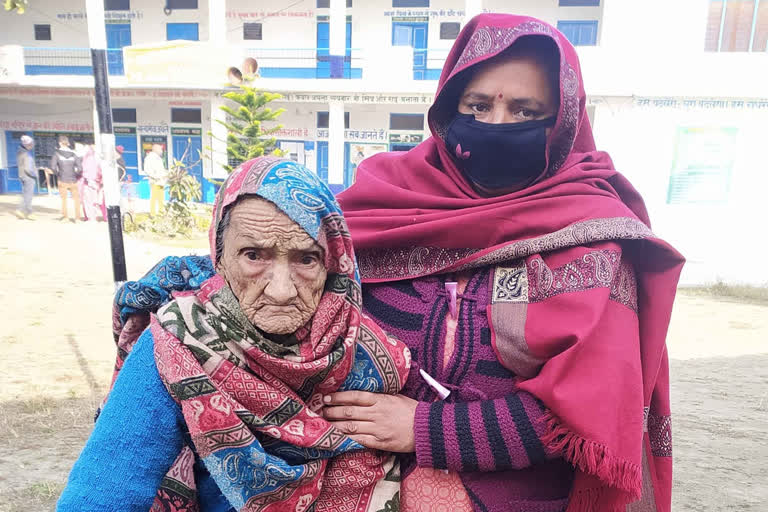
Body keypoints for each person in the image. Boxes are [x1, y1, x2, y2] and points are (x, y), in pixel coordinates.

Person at [109, 14, 685, 512]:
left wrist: (424, 430)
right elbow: (286, 263)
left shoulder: (593, 236)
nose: (498, 124)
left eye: (525, 109)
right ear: (447, 108)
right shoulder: (387, 199)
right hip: (344, 476)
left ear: (561, 121)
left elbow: (586, 415)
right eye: (478, 105)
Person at [57, 157, 410, 512]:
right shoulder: (180, 341)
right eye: (254, 255)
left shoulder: (367, 351)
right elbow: (106, 486)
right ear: (219, 258)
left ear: (333, 263)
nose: (282, 290)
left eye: (306, 259)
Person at [50, 135, 82, 223]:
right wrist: (75, 174)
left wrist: (58, 174)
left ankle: (65, 217)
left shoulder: (56, 154)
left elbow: (53, 167)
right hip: (73, 180)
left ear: (60, 143)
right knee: (76, 200)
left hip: (62, 180)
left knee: (64, 200)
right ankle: (78, 218)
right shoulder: (74, 154)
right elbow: (80, 168)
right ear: (67, 143)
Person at [14, 135, 37, 220]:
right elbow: (28, 168)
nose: (33, 145)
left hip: (22, 175)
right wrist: (34, 175)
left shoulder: (20, 151)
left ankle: (26, 211)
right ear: (28, 144)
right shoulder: (26, 154)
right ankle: (23, 211)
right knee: (28, 195)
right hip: (28, 176)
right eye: (32, 144)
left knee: (26, 194)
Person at [80, 145, 105, 221]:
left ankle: (91, 217)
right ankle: (94, 216)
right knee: (95, 200)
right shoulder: (97, 159)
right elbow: (100, 171)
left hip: (88, 182)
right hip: (96, 183)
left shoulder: (86, 159)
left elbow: (83, 170)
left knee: (88, 200)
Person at [143, 143, 168, 216]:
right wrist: (155, 176)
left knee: (161, 198)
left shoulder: (158, 158)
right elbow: (147, 170)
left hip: (161, 181)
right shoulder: (149, 158)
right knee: (154, 197)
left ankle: (161, 212)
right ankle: (153, 213)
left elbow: (161, 169)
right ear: (156, 149)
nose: (162, 151)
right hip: (155, 181)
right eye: (160, 149)